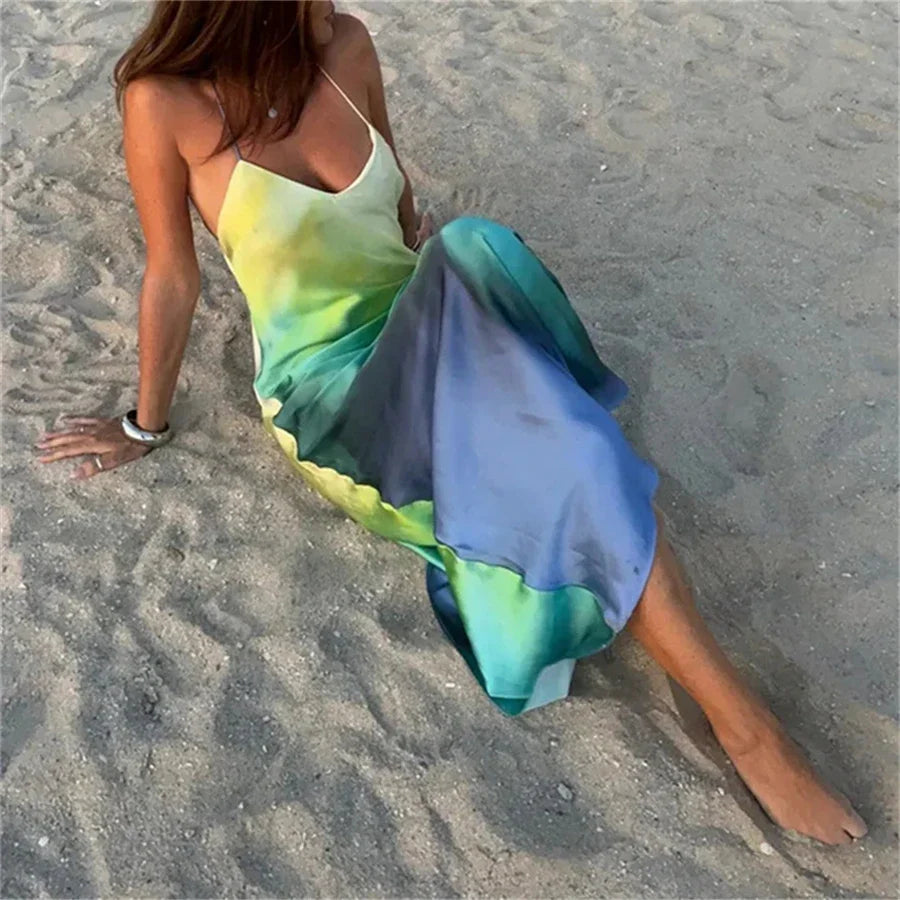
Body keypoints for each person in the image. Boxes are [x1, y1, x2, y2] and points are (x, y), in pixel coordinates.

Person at [35, 0, 866, 845]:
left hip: (427, 323)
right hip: (331, 393)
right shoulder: (165, 101)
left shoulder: (347, 46)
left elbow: (401, 204)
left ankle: (743, 723)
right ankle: (748, 731)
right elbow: (172, 276)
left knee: (483, 275)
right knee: (566, 459)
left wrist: (424, 261)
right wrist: (143, 425)